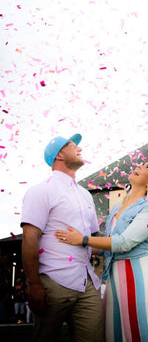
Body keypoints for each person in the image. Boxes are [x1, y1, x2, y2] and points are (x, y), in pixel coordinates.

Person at [55, 159, 148, 342]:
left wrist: (83, 240)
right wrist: (73, 245)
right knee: (114, 333)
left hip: (137, 276)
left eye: (147, 167)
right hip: (113, 276)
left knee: (137, 332)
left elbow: (123, 243)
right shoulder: (118, 206)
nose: (140, 166)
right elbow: (108, 246)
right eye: (143, 163)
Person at [21, 133, 103, 342]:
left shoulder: (86, 195)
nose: (80, 149)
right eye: (73, 145)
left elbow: (94, 239)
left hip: (88, 284)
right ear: (59, 155)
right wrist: (35, 285)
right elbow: (30, 239)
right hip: (54, 283)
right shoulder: (41, 191)